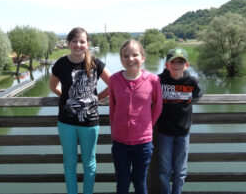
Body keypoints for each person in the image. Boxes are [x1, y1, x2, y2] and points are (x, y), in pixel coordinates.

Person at [49, 27, 110, 194]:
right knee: (70, 164)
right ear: (68, 43)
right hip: (66, 122)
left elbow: (113, 83)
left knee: (89, 163)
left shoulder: (95, 63)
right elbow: (52, 86)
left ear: (87, 44)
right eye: (74, 41)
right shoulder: (61, 63)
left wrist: (98, 98)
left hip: (90, 122)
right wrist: (69, 97)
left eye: (82, 41)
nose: (78, 44)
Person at [109, 39, 163, 194]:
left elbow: (158, 106)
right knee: (122, 184)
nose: (130, 59)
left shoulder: (153, 80)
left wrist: (146, 125)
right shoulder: (114, 80)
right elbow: (113, 108)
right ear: (121, 59)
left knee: (140, 184)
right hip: (120, 142)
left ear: (143, 58)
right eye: (126, 56)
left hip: (143, 143)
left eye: (135, 55)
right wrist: (115, 131)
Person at [156, 47, 203, 194]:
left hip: (183, 134)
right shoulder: (158, 80)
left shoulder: (191, 82)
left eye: (180, 62)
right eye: (173, 62)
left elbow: (198, 93)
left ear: (187, 65)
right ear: (166, 65)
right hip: (164, 133)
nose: (176, 65)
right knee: (164, 170)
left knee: (180, 171)